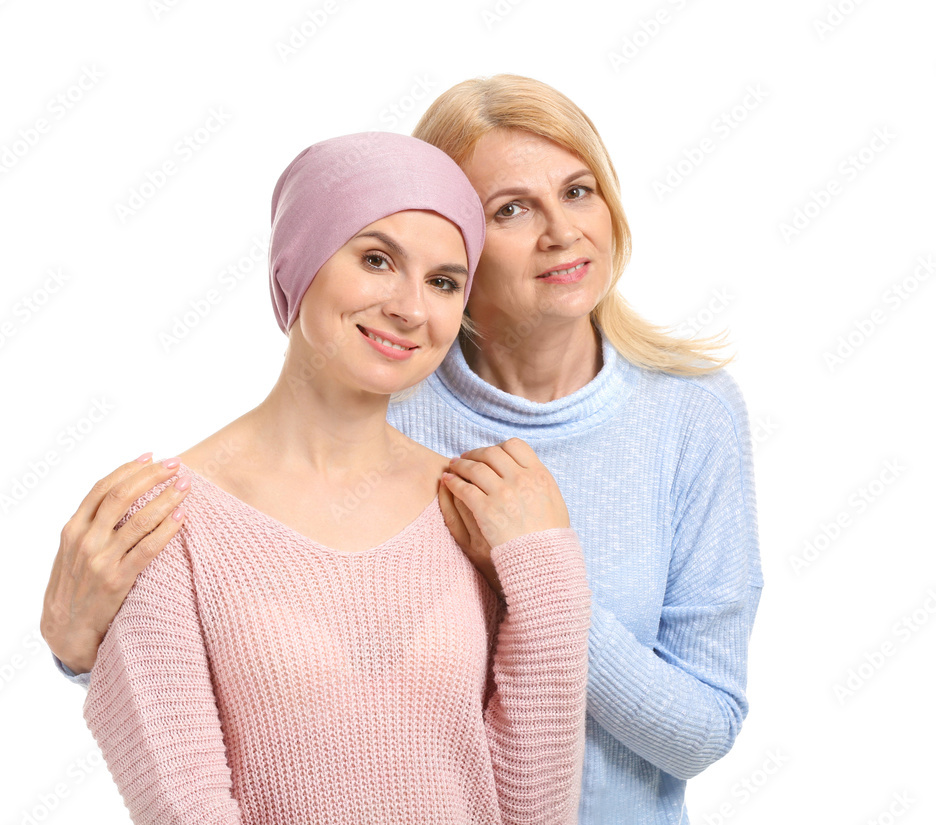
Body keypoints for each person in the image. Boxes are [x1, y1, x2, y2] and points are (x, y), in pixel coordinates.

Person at [43, 75, 763, 824]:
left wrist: (546, 575)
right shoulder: (371, 423)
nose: (561, 232)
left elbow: (681, 732)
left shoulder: (676, 419)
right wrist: (82, 649)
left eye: (579, 191)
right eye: (512, 208)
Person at [74, 131, 592, 824]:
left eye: (443, 282)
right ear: (300, 262)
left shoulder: (478, 507)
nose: (411, 308)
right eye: (377, 260)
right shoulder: (164, 517)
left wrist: (549, 573)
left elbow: (534, 811)